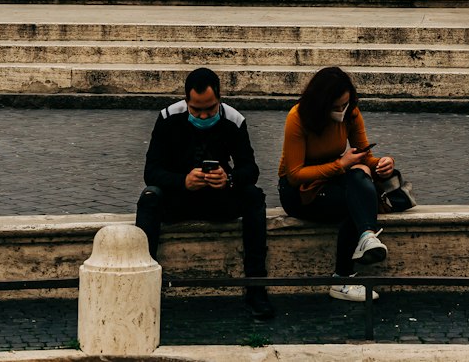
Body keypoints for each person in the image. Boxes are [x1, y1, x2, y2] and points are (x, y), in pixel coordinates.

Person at [135, 67, 274, 321]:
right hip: (180, 198)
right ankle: (144, 288)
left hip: (218, 198)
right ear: (186, 101)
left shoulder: (234, 119)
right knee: (150, 197)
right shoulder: (168, 117)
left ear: (219, 99)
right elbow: (151, 171)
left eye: (209, 109)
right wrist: (182, 181)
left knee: (254, 196)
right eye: (195, 109)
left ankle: (256, 288)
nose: (202, 115)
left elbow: (250, 168)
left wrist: (229, 178)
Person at [279, 65, 395, 303]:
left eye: (345, 104)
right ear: (321, 104)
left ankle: (366, 237)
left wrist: (382, 164)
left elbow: (363, 156)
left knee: (361, 175)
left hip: (332, 180)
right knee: (356, 202)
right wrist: (341, 165)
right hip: (299, 192)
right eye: (336, 107)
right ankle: (342, 278)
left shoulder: (351, 112)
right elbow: (294, 174)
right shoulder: (297, 118)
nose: (342, 111)